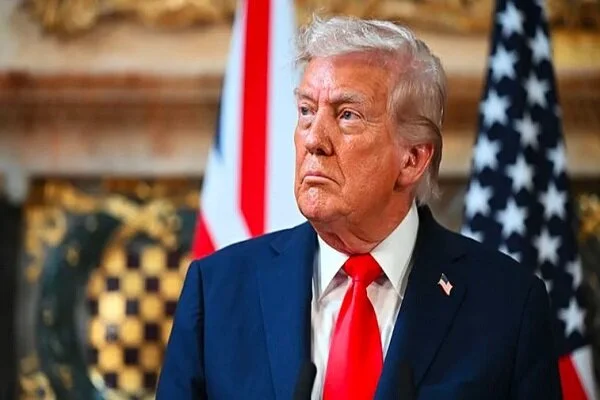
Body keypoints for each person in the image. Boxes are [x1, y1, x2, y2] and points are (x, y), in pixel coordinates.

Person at [157, 16, 561, 400]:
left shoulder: (507, 305)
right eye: (306, 111)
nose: (314, 140)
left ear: (412, 159)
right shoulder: (218, 290)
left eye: (347, 115)